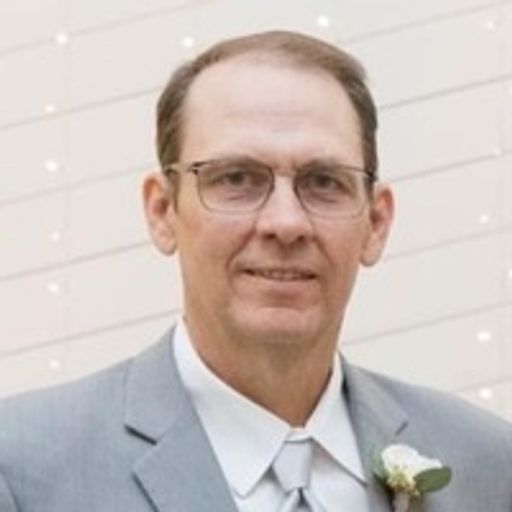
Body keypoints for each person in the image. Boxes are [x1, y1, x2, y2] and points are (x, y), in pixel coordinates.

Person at [0, 30, 511, 512]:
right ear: (162, 211)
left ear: (375, 222)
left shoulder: (487, 465)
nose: (285, 223)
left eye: (324, 182)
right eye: (236, 178)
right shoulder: (23, 468)